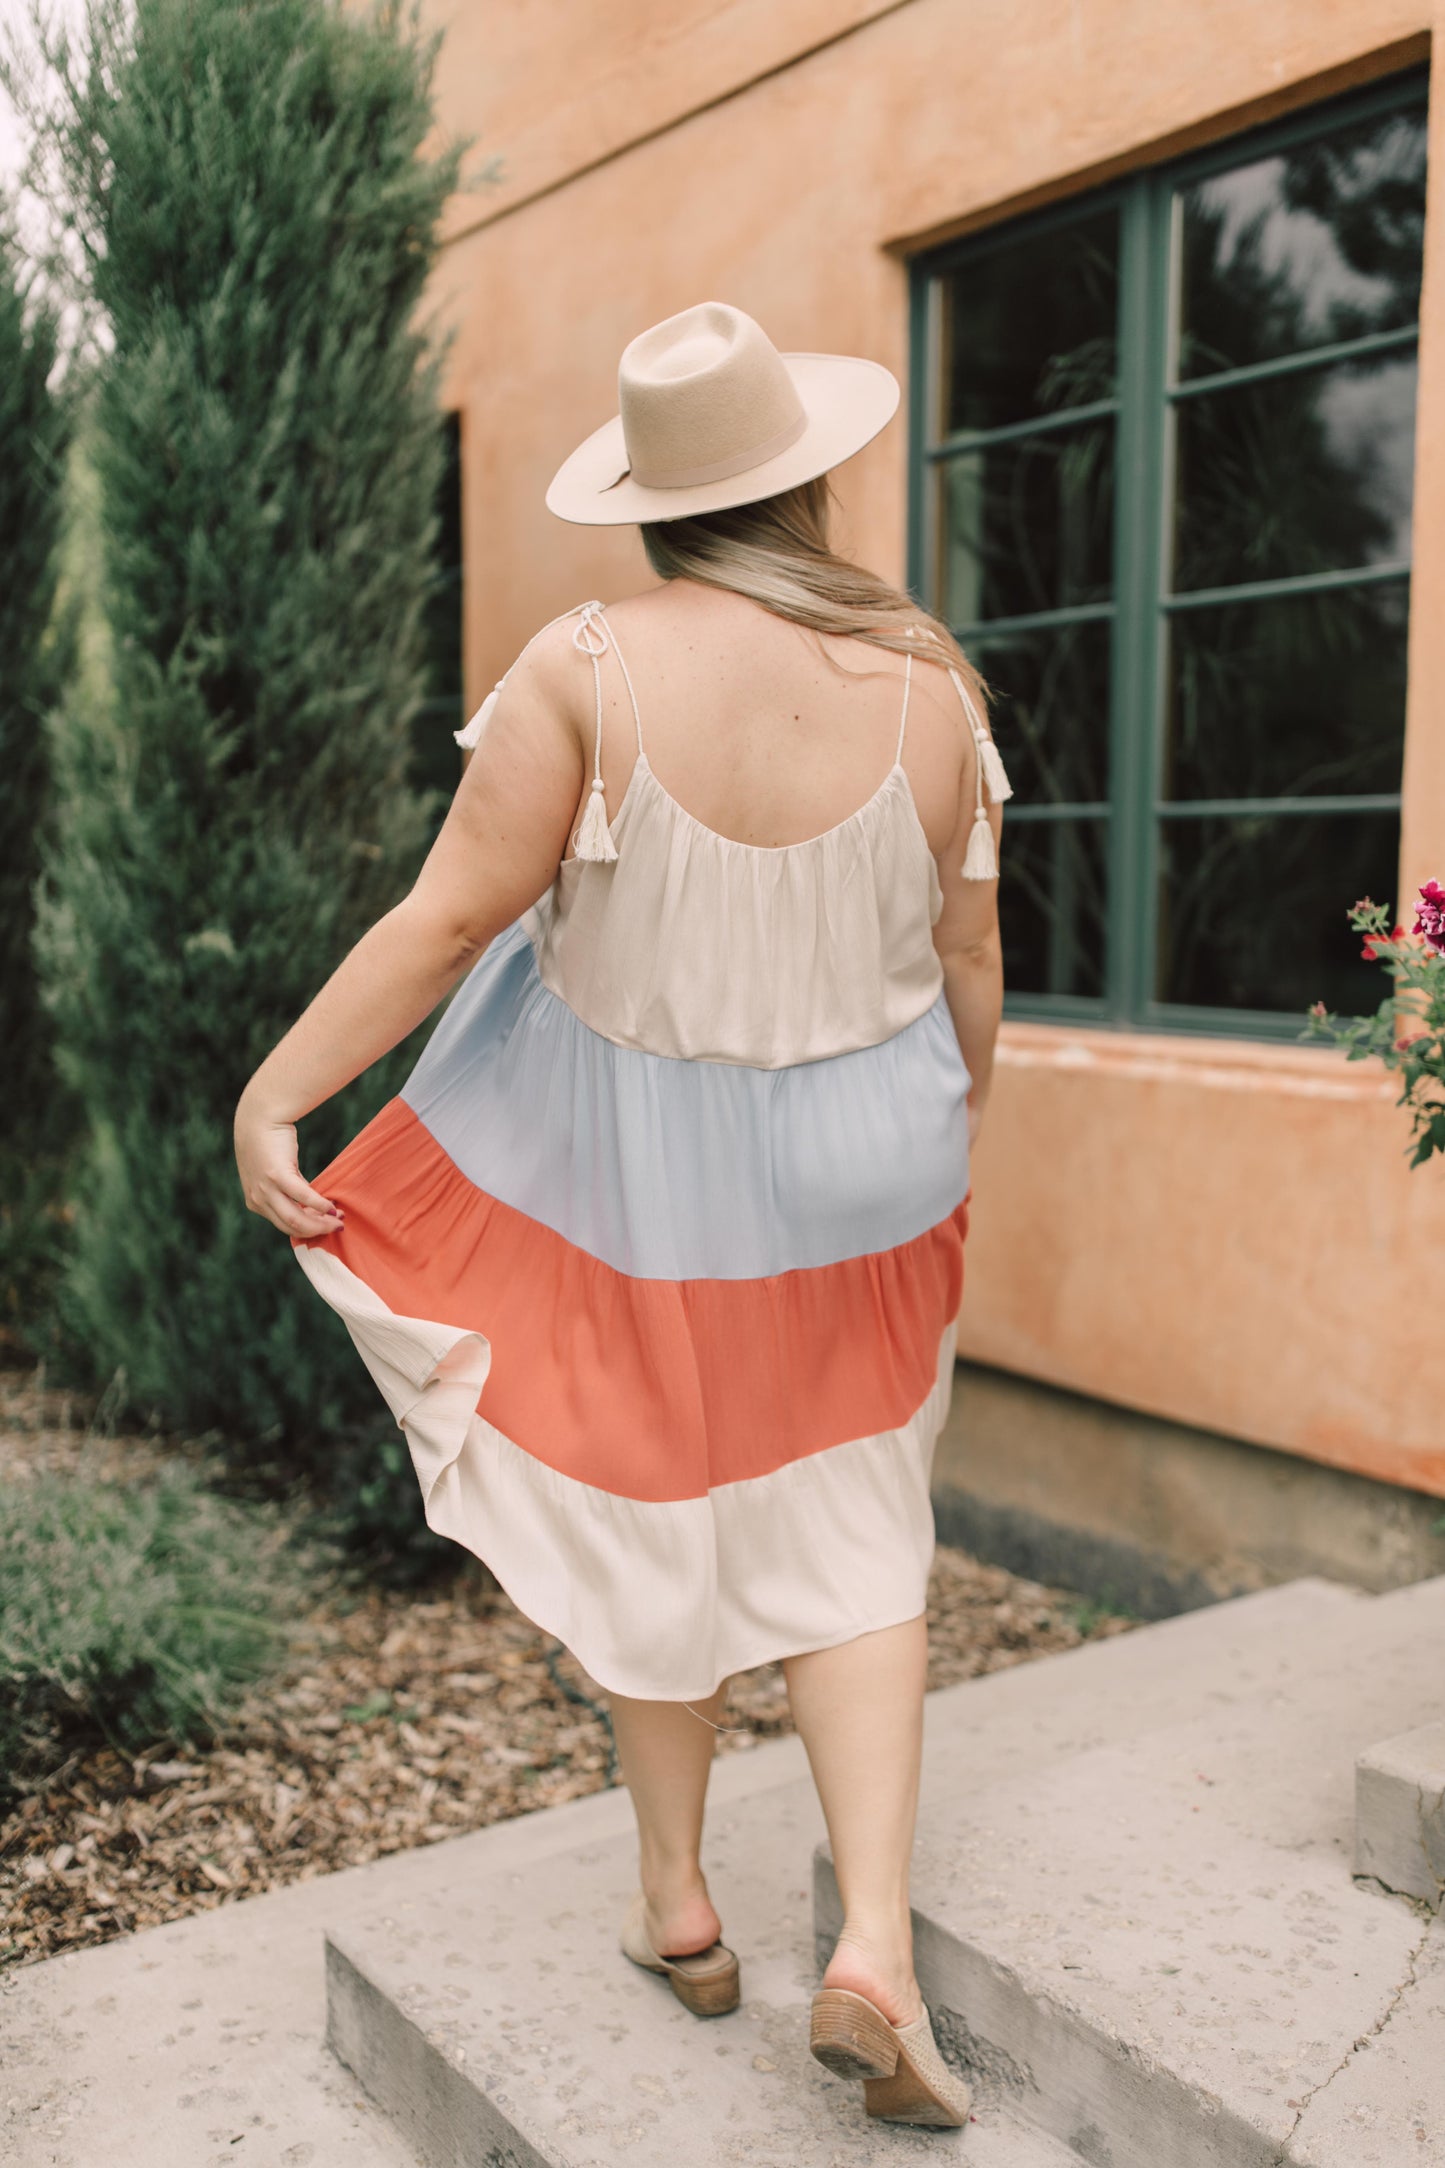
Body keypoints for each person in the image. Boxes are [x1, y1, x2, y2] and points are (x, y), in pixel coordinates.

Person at [233, 300, 1008, 2131]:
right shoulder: (930, 681)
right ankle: (873, 1951)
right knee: (853, 1537)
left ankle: (679, 1905)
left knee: (662, 1499)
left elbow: (440, 923)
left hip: (648, 1188)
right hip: (872, 1171)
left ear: (653, 504)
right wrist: (957, 1119)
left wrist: (278, 1089)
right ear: (806, 482)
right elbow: (969, 957)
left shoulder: (585, 665)